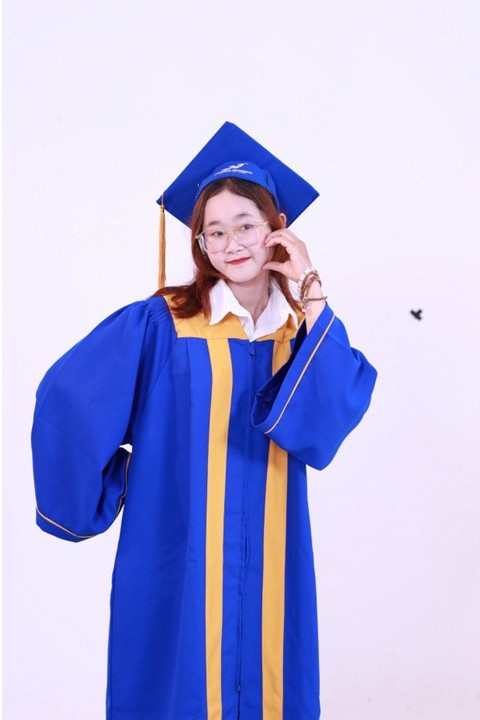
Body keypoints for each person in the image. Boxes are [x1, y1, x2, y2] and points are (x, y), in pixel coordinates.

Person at [31, 122, 377, 720]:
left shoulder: (302, 333)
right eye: (214, 231)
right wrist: (121, 480)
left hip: (273, 553)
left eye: (246, 224)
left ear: (277, 230)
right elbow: (68, 399)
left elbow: (328, 420)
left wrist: (311, 286)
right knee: (175, 685)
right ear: (201, 244)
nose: (231, 242)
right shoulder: (162, 324)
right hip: (177, 547)